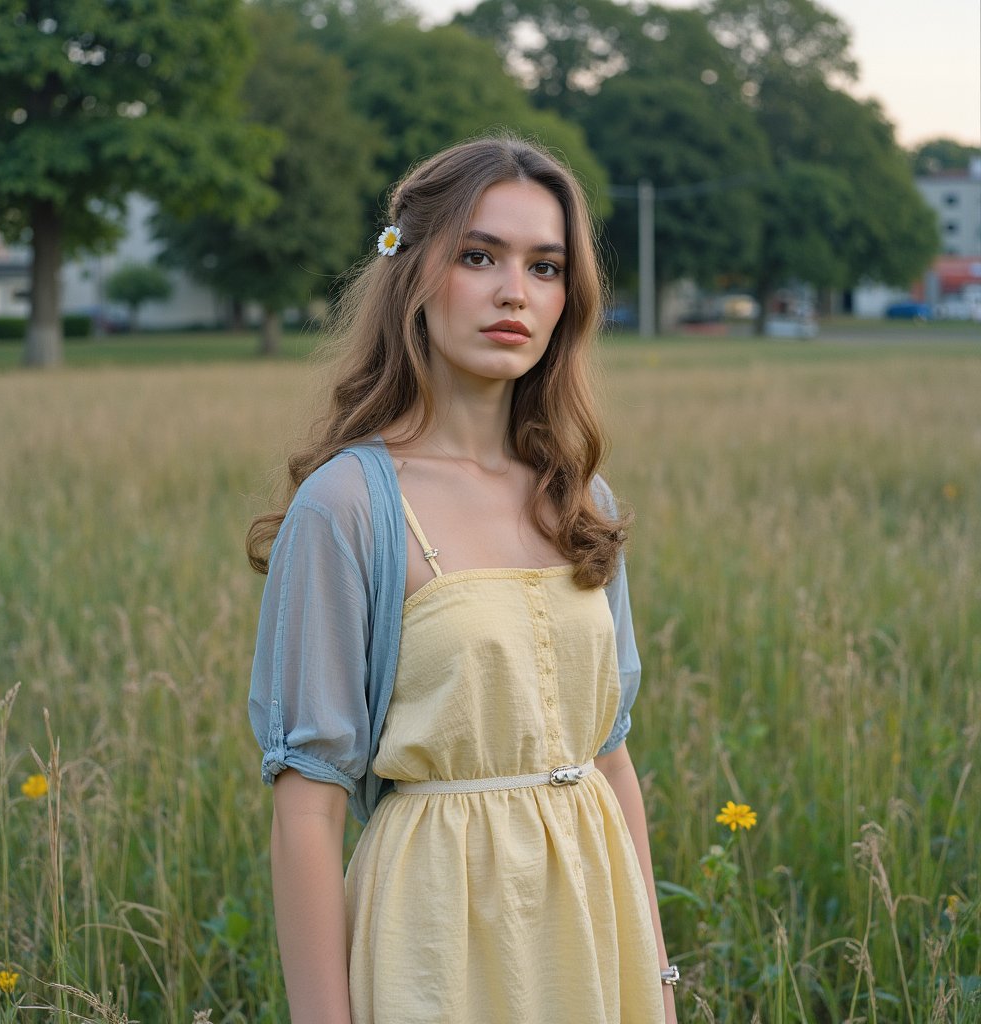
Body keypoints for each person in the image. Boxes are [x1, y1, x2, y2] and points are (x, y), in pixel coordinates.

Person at [248, 136, 678, 1024]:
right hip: (437, 935)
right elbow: (306, 812)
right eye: (479, 256)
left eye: (546, 266)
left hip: (594, 934)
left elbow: (611, 754)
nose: (514, 291)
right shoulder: (349, 507)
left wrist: (659, 983)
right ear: (413, 273)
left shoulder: (580, 494)